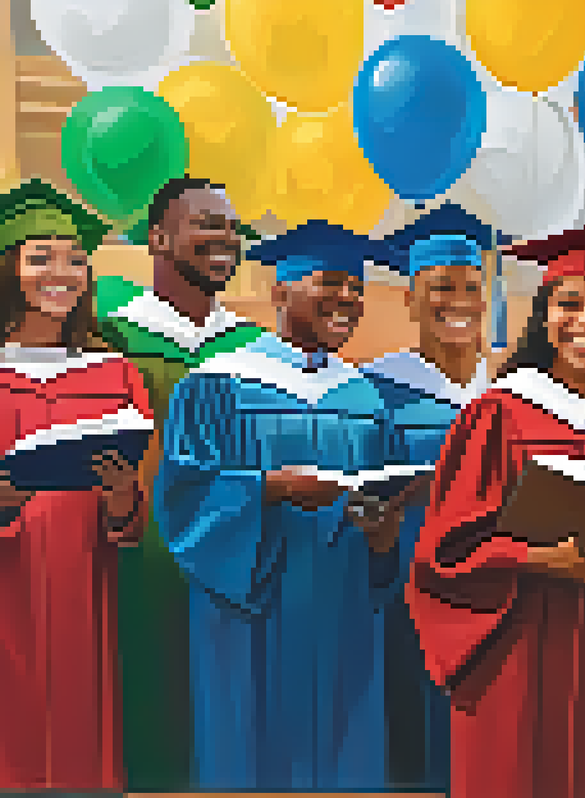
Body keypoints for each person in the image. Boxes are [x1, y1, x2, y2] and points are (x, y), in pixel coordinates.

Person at [406, 225, 585, 798]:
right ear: (545, 314)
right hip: (517, 647)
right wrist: (536, 558)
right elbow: (445, 550)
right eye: (570, 304)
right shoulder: (497, 417)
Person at [155, 221, 402, 790]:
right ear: (280, 291)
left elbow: (380, 505)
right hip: (250, 618)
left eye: (356, 289)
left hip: (343, 618)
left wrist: (383, 538)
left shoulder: (365, 399)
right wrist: (269, 488)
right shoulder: (217, 386)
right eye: (330, 283)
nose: (347, 300)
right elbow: (183, 500)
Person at [93, 175, 264, 792]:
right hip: (142, 560)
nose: (225, 238)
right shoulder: (112, 340)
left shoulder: (254, 350)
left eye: (231, 227)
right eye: (207, 224)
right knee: (148, 706)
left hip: (232, 555)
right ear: (158, 238)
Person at [0, 179, 148, 792]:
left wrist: (121, 506)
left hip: (87, 575)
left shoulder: (114, 373)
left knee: (81, 731)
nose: (61, 272)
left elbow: (136, 514)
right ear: (8, 270)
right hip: (8, 581)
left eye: (75, 258)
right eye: (41, 257)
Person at [365, 203, 496, 792]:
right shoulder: (375, 393)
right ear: (410, 301)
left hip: (499, 592)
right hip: (407, 593)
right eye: (440, 287)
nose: (459, 301)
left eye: (473, 286)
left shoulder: (513, 391)